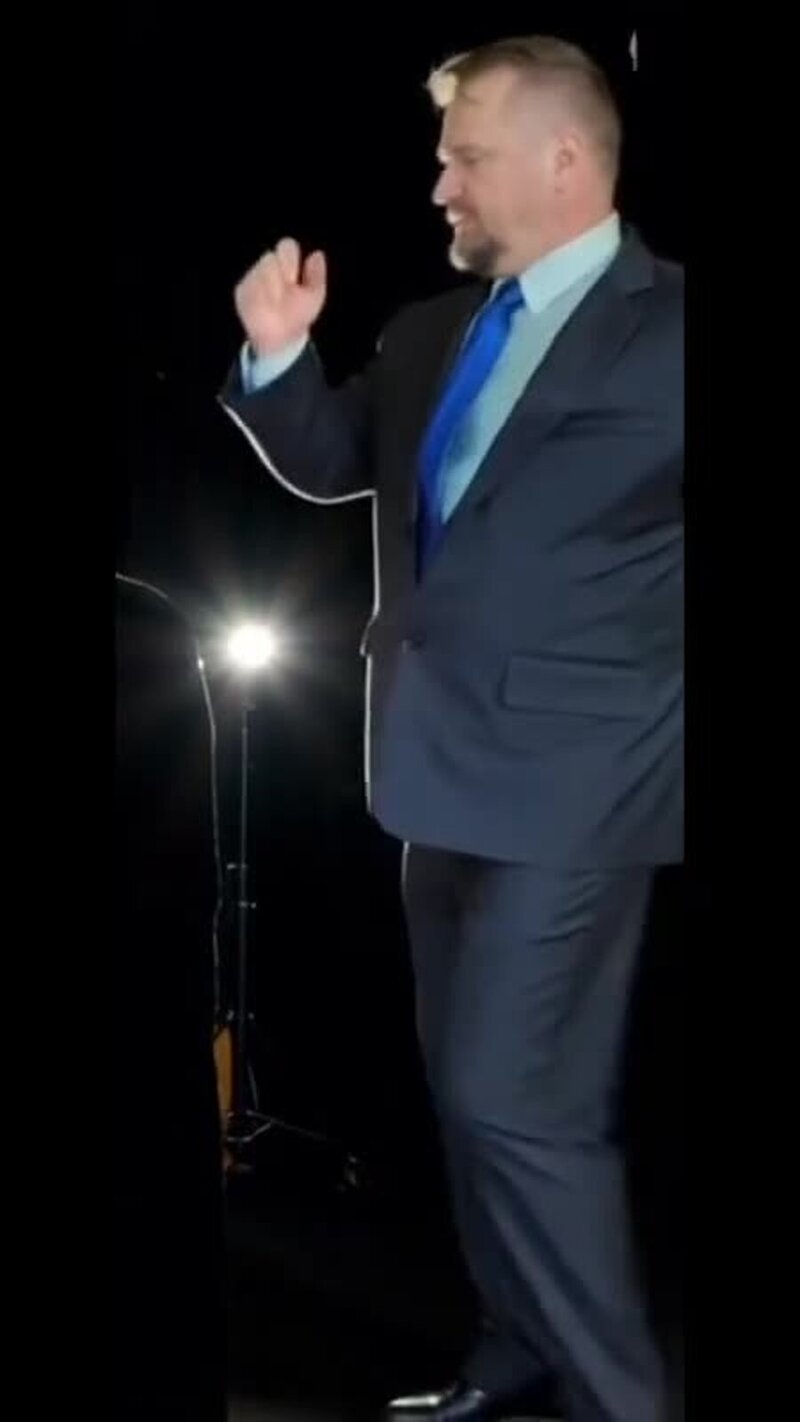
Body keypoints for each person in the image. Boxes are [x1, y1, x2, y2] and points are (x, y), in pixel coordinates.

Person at [219, 34, 683, 1422]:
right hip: (430, 772)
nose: (440, 186)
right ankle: (515, 1341)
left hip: (579, 790)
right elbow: (335, 463)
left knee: (515, 1104)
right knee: (464, 1094)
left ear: (565, 160)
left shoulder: (672, 327)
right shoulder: (432, 330)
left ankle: (621, 1397)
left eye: (465, 157)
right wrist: (278, 356)